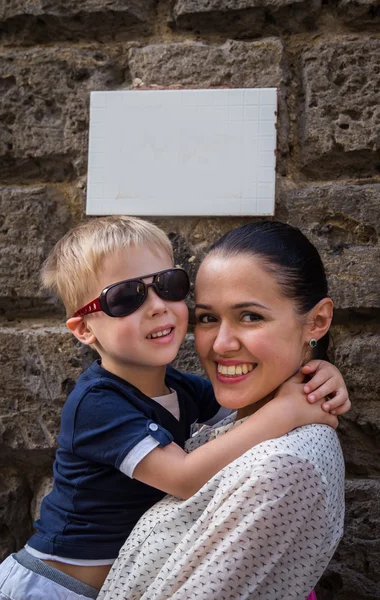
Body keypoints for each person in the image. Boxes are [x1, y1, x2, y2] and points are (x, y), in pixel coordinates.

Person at [0, 217, 349, 600]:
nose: (158, 306)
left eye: (169, 286)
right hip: (50, 586)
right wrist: (288, 411)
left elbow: (254, 408)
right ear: (85, 330)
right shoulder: (97, 403)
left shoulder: (183, 390)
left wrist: (318, 376)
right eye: (125, 297)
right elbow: (186, 476)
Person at [98, 220, 347, 600]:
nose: (221, 345)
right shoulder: (247, 415)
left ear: (317, 321)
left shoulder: (283, 467)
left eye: (251, 316)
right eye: (208, 318)